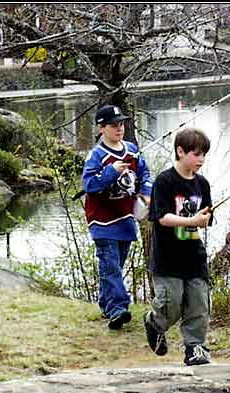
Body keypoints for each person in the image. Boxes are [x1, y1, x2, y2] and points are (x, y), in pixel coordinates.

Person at [144, 127, 214, 366]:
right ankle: (155, 323)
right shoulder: (164, 181)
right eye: (196, 154)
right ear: (180, 151)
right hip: (167, 259)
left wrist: (202, 220)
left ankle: (195, 348)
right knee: (171, 304)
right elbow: (161, 217)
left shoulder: (202, 184)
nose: (201, 160)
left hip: (195, 257)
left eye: (204, 154)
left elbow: (205, 219)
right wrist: (192, 220)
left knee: (198, 304)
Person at [82, 104, 153, 330]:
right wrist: (112, 171)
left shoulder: (131, 150)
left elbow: (145, 174)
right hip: (102, 221)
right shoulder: (95, 156)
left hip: (125, 219)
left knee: (114, 267)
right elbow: (90, 185)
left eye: (121, 124)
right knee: (110, 265)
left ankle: (106, 303)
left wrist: (146, 193)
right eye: (113, 125)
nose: (119, 128)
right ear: (101, 128)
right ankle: (118, 309)